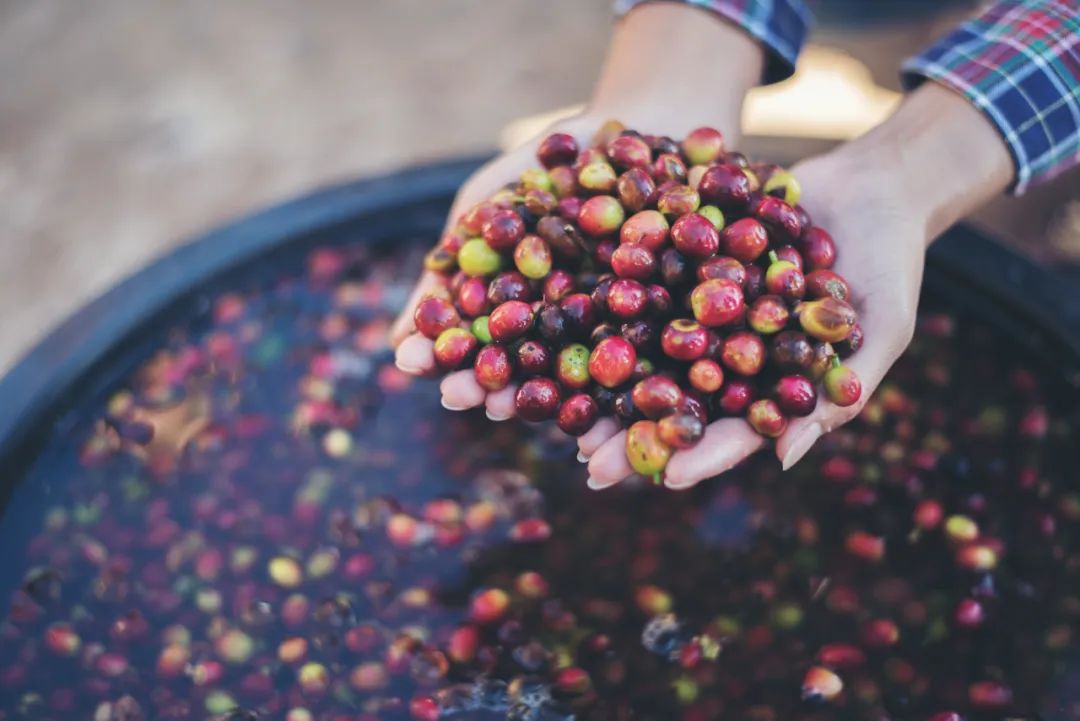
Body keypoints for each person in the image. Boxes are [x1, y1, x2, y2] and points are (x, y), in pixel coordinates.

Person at [392, 0, 1080, 490]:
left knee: (1010, 204)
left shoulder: (729, 292)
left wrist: (924, 162)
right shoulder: (643, 259)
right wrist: (678, 60)